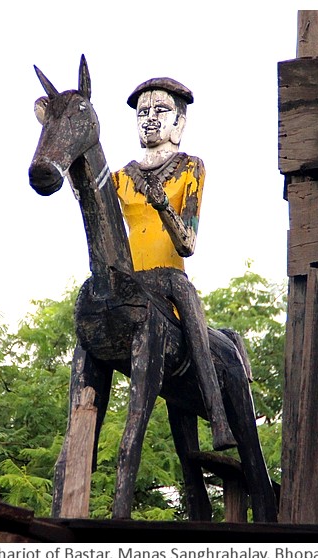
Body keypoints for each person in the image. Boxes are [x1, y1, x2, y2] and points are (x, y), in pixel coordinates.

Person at [113, 77, 236, 450]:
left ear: (179, 123)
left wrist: (163, 205)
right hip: (134, 281)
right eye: (143, 112)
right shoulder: (121, 178)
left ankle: (218, 414)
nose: (150, 119)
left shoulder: (190, 168)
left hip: (169, 276)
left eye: (161, 111)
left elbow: (187, 244)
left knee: (189, 303)